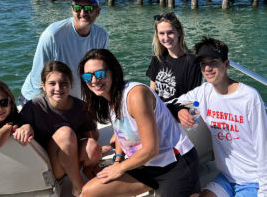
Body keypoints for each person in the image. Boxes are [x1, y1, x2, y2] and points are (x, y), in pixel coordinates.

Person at [78, 49, 200, 197]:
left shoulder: (135, 95)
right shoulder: (108, 99)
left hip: (174, 164)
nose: (94, 80)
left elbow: (151, 150)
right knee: (88, 192)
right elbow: (121, 133)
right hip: (144, 166)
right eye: (87, 76)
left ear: (113, 72)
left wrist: (119, 168)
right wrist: (118, 159)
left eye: (100, 74)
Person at [175, 37, 267, 197]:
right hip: (226, 177)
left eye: (213, 62)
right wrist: (179, 109)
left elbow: (263, 147)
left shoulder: (249, 97)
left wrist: (264, 191)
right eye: (203, 64)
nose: (208, 68)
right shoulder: (203, 92)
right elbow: (173, 102)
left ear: (226, 64)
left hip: (253, 179)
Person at [16, 60, 102, 197]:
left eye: (63, 83)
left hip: (69, 161)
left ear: (71, 84)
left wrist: (95, 155)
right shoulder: (33, 107)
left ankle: (87, 172)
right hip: (47, 167)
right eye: (52, 83)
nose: (58, 88)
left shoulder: (82, 107)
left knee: (92, 147)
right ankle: (78, 187)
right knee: (65, 133)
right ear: (43, 86)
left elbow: (92, 136)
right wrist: (25, 126)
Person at [20, 0, 109, 104]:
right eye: (77, 8)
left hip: (71, 98)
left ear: (98, 11)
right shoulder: (52, 35)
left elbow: (100, 73)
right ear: (72, 10)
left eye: (88, 8)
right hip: (37, 98)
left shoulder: (102, 35)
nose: (82, 13)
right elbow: (38, 80)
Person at [146, 12, 202, 109]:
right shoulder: (157, 58)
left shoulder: (192, 61)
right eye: (161, 33)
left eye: (170, 32)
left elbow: (191, 98)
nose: (166, 38)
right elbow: (152, 90)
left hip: (180, 114)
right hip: (159, 112)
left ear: (179, 32)